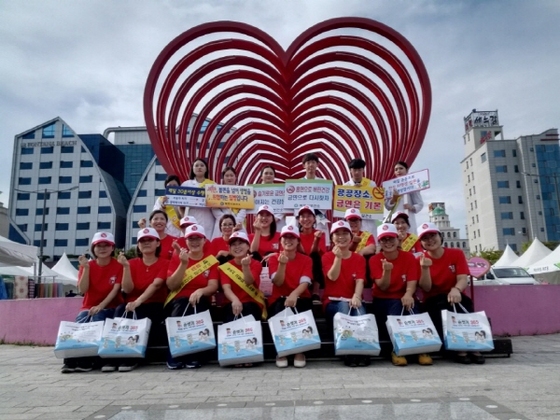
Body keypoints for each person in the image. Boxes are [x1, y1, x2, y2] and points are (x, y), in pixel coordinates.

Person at [416, 222, 485, 364]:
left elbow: (462, 278)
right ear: (421, 243)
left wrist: (456, 289)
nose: (430, 240)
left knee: (463, 304)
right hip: (433, 299)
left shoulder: (456, 254)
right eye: (425, 238)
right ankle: (460, 349)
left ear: (440, 236)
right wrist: (424, 269)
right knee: (441, 307)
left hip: (456, 295)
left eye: (433, 235)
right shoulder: (420, 259)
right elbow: (426, 288)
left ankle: (473, 345)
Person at [61, 232, 123, 374]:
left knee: (97, 319)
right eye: (98, 246)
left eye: (106, 245)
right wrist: (86, 269)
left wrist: (100, 306)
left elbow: (115, 290)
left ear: (112, 248)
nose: (102, 249)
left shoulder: (118, 266)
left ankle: (87, 360)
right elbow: (82, 290)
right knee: (80, 325)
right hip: (88, 307)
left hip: (110, 306)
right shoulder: (86, 265)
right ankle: (71, 360)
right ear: (93, 249)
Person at [368, 223, 428, 367]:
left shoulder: (408, 258)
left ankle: (423, 348)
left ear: (398, 240)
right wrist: (387, 271)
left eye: (391, 239)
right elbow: (383, 287)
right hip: (384, 300)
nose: (388, 242)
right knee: (396, 306)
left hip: (405, 297)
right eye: (384, 240)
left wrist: (408, 294)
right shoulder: (374, 260)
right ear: (379, 242)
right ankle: (398, 349)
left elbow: (412, 280)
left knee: (414, 308)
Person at [112, 228, 169, 372]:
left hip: (154, 304)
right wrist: (125, 267)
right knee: (120, 310)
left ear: (158, 243)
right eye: (142, 241)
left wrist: (138, 301)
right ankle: (116, 354)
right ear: (138, 245)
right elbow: (128, 289)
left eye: (150, 240)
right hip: (131, 304)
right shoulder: (131, 263)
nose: (146, 243)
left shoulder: (164, 263)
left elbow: (156, 285)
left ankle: (130, 358)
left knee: (141, 313)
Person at [165, 224, 219, 370]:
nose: (194, 242)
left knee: (197, 303)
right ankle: (175, 353)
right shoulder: (178, 257)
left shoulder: (210, 261)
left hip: (200, 300)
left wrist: (201, 291)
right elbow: (171, 285)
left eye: (198, 238)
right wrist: (183, 264)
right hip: (178, 300)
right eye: (191, 239)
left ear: (204, 240)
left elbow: (213, 286)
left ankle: (194, 354)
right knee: (182, 303)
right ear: (186, 241)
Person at [321, 221, 367, 367]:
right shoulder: (327, 257)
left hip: (353, 299)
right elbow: (332, 277)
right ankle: (347, 350)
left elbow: (360, 281)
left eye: (345, 233)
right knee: (343, 307)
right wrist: (338, 258)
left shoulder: (358, 258)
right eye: (337, 234)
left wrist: (357, 296)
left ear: (351, 237)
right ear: (332, 238)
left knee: (360, 313)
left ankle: (363, 350)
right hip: (333, 302)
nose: (341, 237)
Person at [267, 225, 313, 368]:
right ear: (280, 241)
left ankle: (300, 351)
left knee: (302, 306)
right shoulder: (274, 258)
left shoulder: (306, 260)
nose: (289, 240)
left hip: (300, 296)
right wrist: (282, 265)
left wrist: (293, 295)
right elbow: (278, 282)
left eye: (292, 237)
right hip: (279, 297)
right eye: (285, 237)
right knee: (279, 308)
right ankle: (282, 351)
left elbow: (305, 283)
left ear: (298, 241)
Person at [218, 231, 265, 327]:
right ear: (229, 249)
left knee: (249, 310)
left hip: (252, 303)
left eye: (240, 243)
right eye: (234, 244)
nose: (237, 247)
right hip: (231, 303)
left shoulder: (256, 264)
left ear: (248, 246)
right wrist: (235, 300)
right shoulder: (226, 267)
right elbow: (226, 288)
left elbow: (249, 282)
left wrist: (245, 267)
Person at [297, 205, 327, 304]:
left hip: (316, 269)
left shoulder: (320, 233)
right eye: (303, 216)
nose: (306, 219)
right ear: (299, 219)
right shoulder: (295, 234)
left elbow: (315, 252)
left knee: (314, 257)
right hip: (300, 265)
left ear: (314, 219)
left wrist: (316, 240)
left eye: (309, 216)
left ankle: (315, 292)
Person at [180, 158, 216, 238]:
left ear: (206, 169)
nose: (199, 167)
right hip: (191, 218)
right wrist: (184, 218)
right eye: (196, 166)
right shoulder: (186, 185)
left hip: (208, 218)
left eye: (202, 165)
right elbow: (180, 206)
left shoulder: (213, 185)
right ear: (192, 169)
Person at [384, 161, 424, 233]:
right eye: (396, 169)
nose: (398, 171)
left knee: (409, 238)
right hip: (395, 218)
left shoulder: (412, 185)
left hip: (408, 216)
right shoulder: (390, 187)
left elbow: (420, 203)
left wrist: (411, 207)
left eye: (401, 168)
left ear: (407, 170)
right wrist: (393, 199)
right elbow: (387, 206)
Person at [343, 158, 377, 235]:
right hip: (353, 222)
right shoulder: (345, 186)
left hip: (368, 221)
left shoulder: (371, 184)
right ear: (350, 170)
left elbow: (376, 204)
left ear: (363, 170)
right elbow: (342, 208)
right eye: (354, 170)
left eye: (359, 170)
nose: (357, 172)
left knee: (370, 242)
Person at [211, 166, 246, 239]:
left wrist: (235, 220)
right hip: (222, 223)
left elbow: (244, 207)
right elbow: (214, 208)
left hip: (238, 223)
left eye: (231, 175)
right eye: (227, 176)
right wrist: (224, 219)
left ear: (235, 177)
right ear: (223, 178)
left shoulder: (242, 191)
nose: (229, 178)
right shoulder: (217, 190)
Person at [260, 165, 288, 231]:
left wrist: (277, 218)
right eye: (266, 173)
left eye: (271, 173)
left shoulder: (281, 190)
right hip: (262, 222)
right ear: (261, 176)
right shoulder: (255, 191)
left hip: (278, 222)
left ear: (274, 176)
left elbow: (285, 205)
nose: (268, 175)